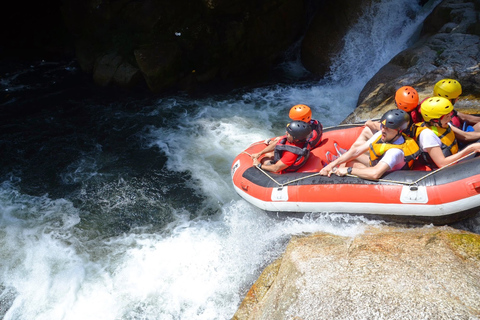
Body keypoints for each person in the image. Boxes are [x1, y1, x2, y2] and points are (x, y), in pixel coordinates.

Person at [320, 109, 420, 180]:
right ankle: (334, 168)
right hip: (378, 163)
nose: (383, 130)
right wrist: (332, 164)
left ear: (398, 131)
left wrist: (348, 170)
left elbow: (375, 174)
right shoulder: (384, 134)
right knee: (352, 156)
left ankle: (337, 174)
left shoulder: (395, 152)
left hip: (384, 174)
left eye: (387, 128)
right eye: (382, 126)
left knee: (348, 166)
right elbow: (357, 151)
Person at [413, 97, 480, 169]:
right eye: (447, 116)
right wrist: (471, 148)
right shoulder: (428, 135)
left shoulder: (443, 124)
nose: (450, 119)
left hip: (455, 157)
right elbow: (442, 164)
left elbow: (465, 136)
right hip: (445, 170)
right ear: (435, 120)